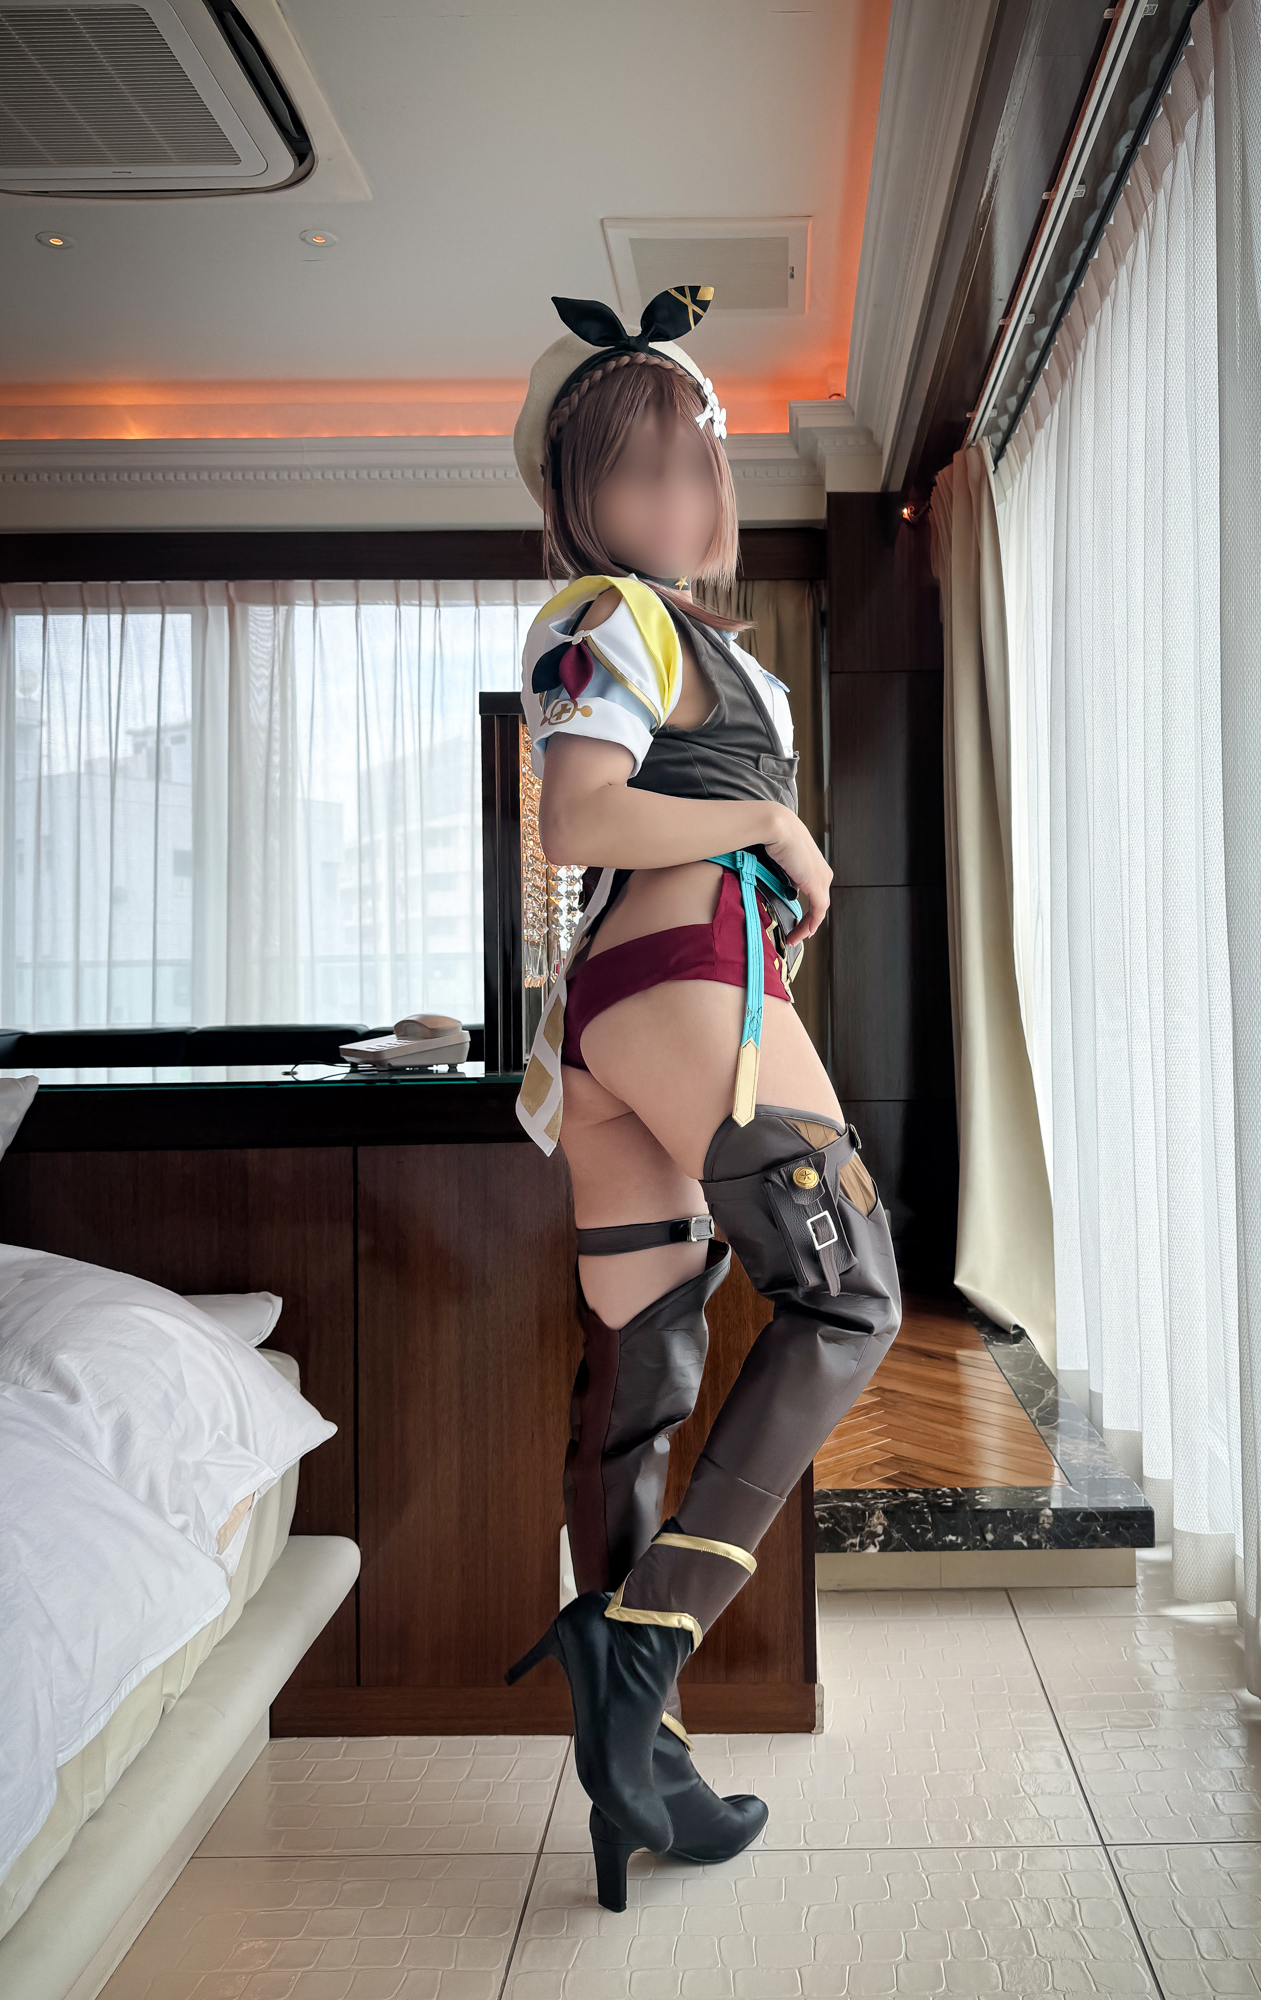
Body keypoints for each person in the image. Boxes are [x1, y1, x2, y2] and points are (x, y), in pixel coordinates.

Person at [504, 285, 902, 1911]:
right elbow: (579, 821)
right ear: (574, 493)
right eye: (631, 466)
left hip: (623, 1021)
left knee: (642, 1381)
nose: (671, 493)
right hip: (682, 986)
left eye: (689, 460)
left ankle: (638, 1776)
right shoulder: (613, 614)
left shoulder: (675, 634)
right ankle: (642, 1642)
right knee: (852, 1296)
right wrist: (783, 836)